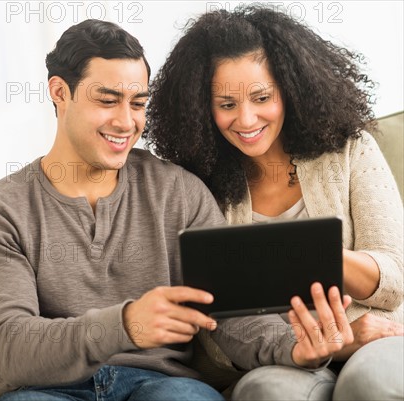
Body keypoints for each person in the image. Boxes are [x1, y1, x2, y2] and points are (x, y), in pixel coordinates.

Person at [0, 18, 354, 401]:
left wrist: (294, 346)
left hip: (162, 385)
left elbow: (232, 316)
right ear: (60, 93)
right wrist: (126, 325)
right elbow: (13, 348)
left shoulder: (178, 193)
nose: (126, 121)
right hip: (44, 391)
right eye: (108, 100)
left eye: (138, 103)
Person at [145, 5, 404, 401]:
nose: (246, 120)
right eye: (226, 104)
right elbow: (214, 334)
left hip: (371, 334)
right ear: (202, 108)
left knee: (369, 384)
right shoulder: (197, 183)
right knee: (268, 392)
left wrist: (313, 254)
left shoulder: (351, 151)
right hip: (277, 360)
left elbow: (394, 280)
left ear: (291, 88)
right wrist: (316, 344)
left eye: (262, 97)